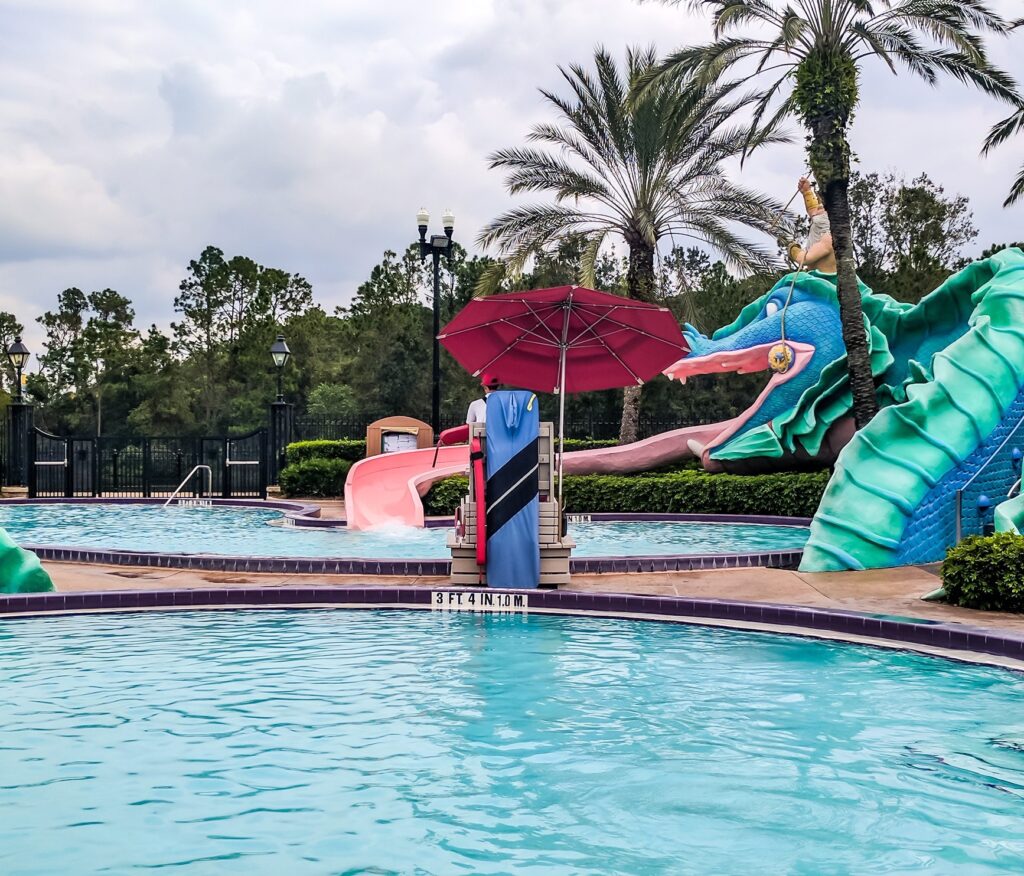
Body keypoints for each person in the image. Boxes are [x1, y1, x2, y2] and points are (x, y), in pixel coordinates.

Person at [781, 177, 837, 274]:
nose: (816, 209)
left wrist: (793, 249)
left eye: (820, 208)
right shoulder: (822, 226)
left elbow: (805, 259)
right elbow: (814, 212)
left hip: (826, 281)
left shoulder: (829, 239)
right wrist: (807, 192)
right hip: (816, 276)